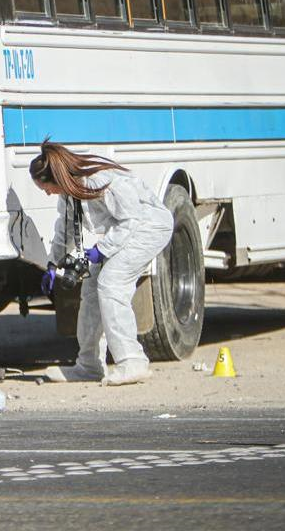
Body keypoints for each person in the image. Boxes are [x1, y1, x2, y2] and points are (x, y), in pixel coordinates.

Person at [31, 141, 173, 386]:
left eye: (46, 188)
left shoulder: (101, 180)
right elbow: (63, 228)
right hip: (124, 231)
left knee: (112, 283)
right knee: (91, 291)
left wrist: (100, 251)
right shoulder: (69, 191)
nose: (47, 193)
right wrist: (52, 265)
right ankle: (89, 365)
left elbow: (131, 220)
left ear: (56, 177)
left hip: (149, 228)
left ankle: (132, 362)